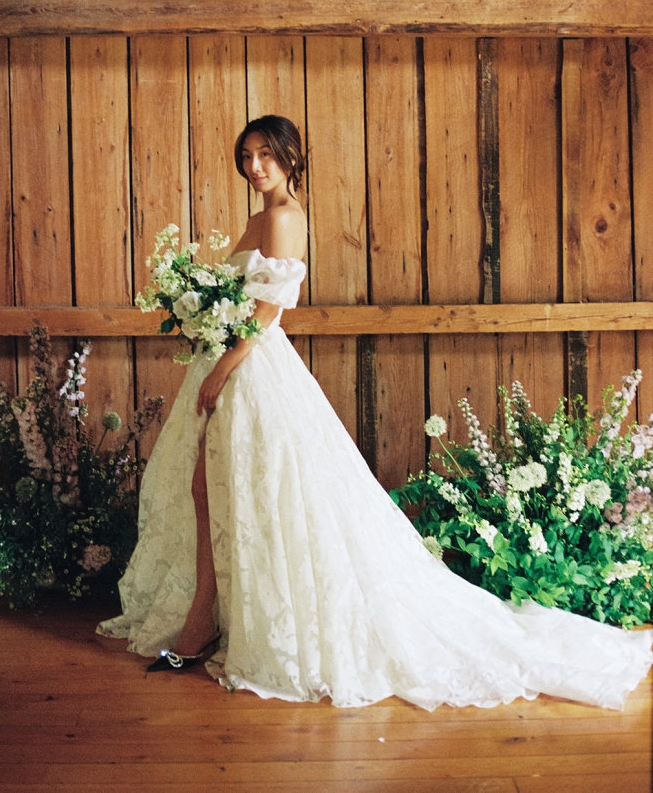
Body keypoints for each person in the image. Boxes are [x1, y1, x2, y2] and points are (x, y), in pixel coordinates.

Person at [98, 115, 653, 710]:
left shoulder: (286, 218)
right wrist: (198, 309)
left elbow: (267, 311)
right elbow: (236, 300)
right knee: (209, 491)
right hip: (229, 362)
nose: (255, 166)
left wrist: (222, 366)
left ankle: (214, 621)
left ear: (290, 158)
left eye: (266, 154)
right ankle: (204, 615)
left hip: (250, 367)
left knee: (247, 491)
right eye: (247, 155)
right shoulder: (259, 217)